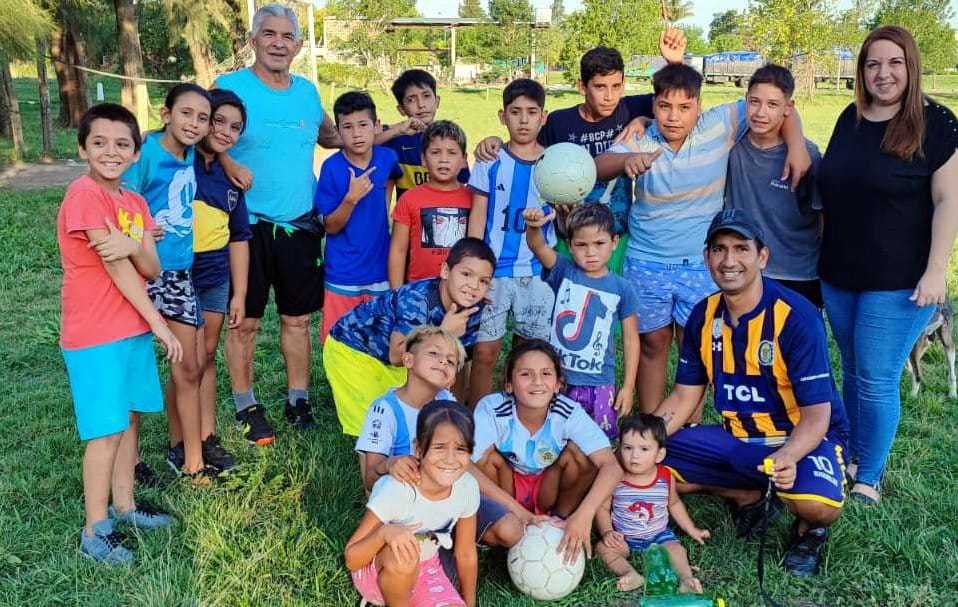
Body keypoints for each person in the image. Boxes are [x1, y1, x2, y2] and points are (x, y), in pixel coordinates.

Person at [596, 64, 811, 416]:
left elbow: (776, 102)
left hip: (699, 266)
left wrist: (797, 145)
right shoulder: (642, 138)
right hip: (646, 262)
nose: (673, 117)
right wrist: (627, 161)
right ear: (653, 105)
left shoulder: (718, 125)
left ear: (700, 106)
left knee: (693, 346)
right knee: (653, 342)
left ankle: (687, 428)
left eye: (685, 108)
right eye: (664, 106)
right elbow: (600, 163)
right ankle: (651, 426)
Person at [652, 209, 849, 577]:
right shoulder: (703, 316)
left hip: (801, 439)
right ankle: (750, 495)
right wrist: (646, 438)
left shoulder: (795, 316)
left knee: (817, 502)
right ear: (706, 256)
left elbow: (817, 416)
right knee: (647, 463)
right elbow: (683, 396)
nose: (729, 261)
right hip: (738, 439)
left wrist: (789, 456)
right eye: (719, 249)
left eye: (741, 249)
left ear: (762, 256)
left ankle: (810, 531)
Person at [816, 25, 958, 505]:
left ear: (911, 66)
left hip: (900, 281)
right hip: (840, 274)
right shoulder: (849, 118)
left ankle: (867, 478)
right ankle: (854, 455)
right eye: (873, 64)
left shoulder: (936, 123)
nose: (884, 73)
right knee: (853, 368)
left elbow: (948, 201)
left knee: (876, 377)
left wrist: (937, 269)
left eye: (894, 62)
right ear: (861, 71)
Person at [59, 104, 182, 564]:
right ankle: (96, 529)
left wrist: (133, 244)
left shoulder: (135, 202)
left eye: (122, 144)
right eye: (100, 143)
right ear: (83, 148)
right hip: (95, 336)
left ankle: (126, 506)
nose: (111, 152)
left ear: (135, 153)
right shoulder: (85, 193)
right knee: (105, 431)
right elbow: (117, 269)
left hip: (129, 330)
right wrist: (159, 324)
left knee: (130, 419)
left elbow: (151, 266)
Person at [215, 5, 341, 445]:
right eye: (268, 34)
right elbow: (202, 138)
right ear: (253, 41)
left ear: (298, 46)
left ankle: (298, 399)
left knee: (297, 319)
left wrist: (394, 133)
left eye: (287, 36)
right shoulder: (229, 87)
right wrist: (228, 161)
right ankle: (245, 404)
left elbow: (333, 136)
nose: (277, 43)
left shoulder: (307, 92)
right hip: (243, 229)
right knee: (244, 323)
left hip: (299, 226)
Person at [473, 30, 687, 274]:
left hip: (616, 237)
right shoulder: (559, 122)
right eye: (599, 87)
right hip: (570, 238)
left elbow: (677, 101)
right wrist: (494, 141)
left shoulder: (631, 108)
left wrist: (674, 64)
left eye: (616, 86)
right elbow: (525, 146)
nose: (609, 96)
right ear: (582, 87)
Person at [355, 326, 523, 549]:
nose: (444, 362)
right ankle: (439, 542)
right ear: (408, 360)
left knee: (511, 530)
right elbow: (369, 480)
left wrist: (517, 509)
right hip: (407, 506)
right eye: (434, 354)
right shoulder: (385, 409)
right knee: (414, 556)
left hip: (450, 497)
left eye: (451, 361)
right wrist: (389, 464)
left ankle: (456, 533)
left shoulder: (448, 403)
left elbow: (466, 468)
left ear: (453, 379)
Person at [123, 83, 214, 482]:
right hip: (141, 274)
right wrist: (141, 229)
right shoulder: (145, 154)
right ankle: (132, 460)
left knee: (190, 366)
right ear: (166, 114)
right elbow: (118, 202)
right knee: (135, 368)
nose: (194, 123)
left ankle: (192, 459)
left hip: (179, 273)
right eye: (186, 114)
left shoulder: (193, 153)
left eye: (202, 117)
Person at [472, 340, 623, 564]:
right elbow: (463, 465)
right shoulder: (492, 408)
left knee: (579, 454)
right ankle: (500, 523)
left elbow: (611, 467)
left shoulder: (568, 411)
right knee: (484, 458)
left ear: (558, 384)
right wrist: (517, 510)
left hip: (547, 487)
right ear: (508, 384)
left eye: (546, 373)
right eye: (525, 374)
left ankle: (561, 522)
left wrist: (583, 515)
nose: (537, 382)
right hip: (506, 487)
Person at [325, 237, 496, 436]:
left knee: (409, 420)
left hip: (401, 358)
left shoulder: (475, 308)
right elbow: (397, 356)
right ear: (445, 271)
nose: (474, 286)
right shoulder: (417, 300)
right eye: (466, 274)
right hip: (353, 349)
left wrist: (449, 412)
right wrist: (445, 333)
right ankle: (373, 466)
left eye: (483, 281)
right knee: (376, 425)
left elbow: (456, 362)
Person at [167, 90, 250, 475]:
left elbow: (239, 238)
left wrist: (241, 293)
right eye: (218, 121)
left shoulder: (231, 178)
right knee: (185, 360)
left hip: (216, 276)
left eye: (235, 128)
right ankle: (178, 441)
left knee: (206, 357)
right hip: (178, 273)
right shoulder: (178, 161)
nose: (225, 132)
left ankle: (206, 436)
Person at [466, 79, 556, 406]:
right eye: (515, 112)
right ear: (502, 116)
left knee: (527, 354)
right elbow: (477, 216)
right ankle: (477, 420)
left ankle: (520, 417)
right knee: (485, 351)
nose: (523, 120)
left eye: (531, 112)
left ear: (543, 117)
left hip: (536, 273)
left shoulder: (555, 166)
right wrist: (475, 271)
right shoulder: (489, 161)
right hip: (495, 273)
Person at [346, 401, 480, 607]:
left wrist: (470, 603)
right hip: (379, 572)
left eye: (461, 449)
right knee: (404, 557)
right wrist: (384, 533)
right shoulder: (396, 489)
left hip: (427, 569)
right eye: (439, 447)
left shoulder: (467, 487)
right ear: (418, 448)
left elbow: (466, 552)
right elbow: (352, 558)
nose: (450, 459)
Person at [524, 203, 640, 439]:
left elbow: (630, 339)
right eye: (581, 245)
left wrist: (628, 386)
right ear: (569, 245)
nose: (591, 252)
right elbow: (537, 246)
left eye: (599, 243)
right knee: (555, 438)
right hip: (558, 380)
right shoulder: (564, 270)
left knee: (597, 442)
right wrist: (534, 227)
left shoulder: (622, 287)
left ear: (614, 242)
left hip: (600, 382)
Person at [725, 64, 824, 307]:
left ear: (788, 108)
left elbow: (823, 219)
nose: (760, 112)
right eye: (754, 102)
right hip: (746, 271)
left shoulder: (806, 156)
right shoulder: (732, 146)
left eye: (772, 105)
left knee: (796, 342)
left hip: (798, 274)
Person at [314, 91, 402, 341]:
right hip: (343, 272)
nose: (356, 133)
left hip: (380, 270)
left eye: (363, 125)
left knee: (378, 341)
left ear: (376, 126)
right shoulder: (332, 168)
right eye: (348, 127)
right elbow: (330, 226)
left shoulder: (387, 157)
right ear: (338, 132)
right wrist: (350, 199)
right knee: (338, 342)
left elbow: (395, 175)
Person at [595, 414, 709, 593]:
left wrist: (691, 529)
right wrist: (607, 532)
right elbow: (602, 508)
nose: (634, 456)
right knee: (603, 549)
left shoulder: (665, 476)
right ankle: (630, 573)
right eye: (627, 448)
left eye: (644, 449)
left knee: (677, 550)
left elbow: (674, 504)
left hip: (659, 536)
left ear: (659, 454)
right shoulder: (615, 476)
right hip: (624, 538)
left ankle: (686, 580)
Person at [388, 120, 471, 288]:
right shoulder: (409, 199)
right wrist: (396, 294)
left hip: (462, 290)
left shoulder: (474, 199)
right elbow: (398, 251)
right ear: (423, 159)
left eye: (451, 153)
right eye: (435, 152)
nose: (443, 160)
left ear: (464, 160)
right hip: (418, 290)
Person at [377, 69, 470, 199]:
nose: (421, 105)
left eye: (426, 96)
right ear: (401, 109)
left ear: (437, 101)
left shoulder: (451, 138)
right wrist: (395, 130)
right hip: (408, 217)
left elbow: (462, 184)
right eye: (411, 100)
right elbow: (357, 146)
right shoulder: (395, 141)